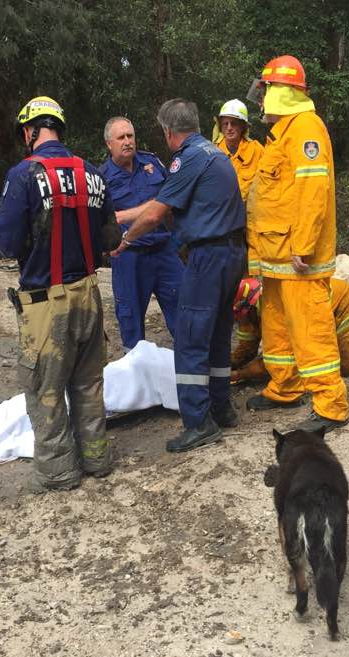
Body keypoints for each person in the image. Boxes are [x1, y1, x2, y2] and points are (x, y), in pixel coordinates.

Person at [0, 96, 121, 492]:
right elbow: (111, 238)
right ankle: (97, 459)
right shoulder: (93, 173)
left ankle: (59, 473)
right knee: (87, 384)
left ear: (30, 131)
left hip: (47, 304)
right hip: (89, 295)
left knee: (45, 390)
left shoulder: (23, 175)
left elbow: (9, 245)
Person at [117, 98, 246, 453]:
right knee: (219, 334)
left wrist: (125, 241)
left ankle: (197, 422)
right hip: (233, 254)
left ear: (169, 131)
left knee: (190, 338)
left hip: (207, 256)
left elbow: (157, 213)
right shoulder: (216, 155)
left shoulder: (187, 158)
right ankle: (222, 408)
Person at [244, 55, 349, 434]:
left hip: (296, 257)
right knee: (276, 327)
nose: (259, 99)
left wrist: (303, 245)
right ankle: (285, 386)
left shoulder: (306, 128)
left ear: (279, 92)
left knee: (310, 329)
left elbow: (312, 190)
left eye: (265, 90)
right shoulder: (282, 132)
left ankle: (330, 404)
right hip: (275, 256)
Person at [99, 116, 183, 351]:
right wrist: (155, 205)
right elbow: (103, 222)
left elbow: (174, 199)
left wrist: (130, 214)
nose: (127, 142)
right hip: (129, 258)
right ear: (109, 144)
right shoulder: (101, 178)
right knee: (130, 322)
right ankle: (136, 380)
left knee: (184, 313)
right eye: (121, 137)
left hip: (165, 251)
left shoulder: (152, 163)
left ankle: (190, 376)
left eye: (130, 136)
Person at [214, 99, 263, 202]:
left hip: (248, 213)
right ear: (220, 127)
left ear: (242, 126)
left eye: (233, 123)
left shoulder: (256, 150)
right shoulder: (213, 152)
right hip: (221, 213)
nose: (229, 128)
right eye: (225, 124)